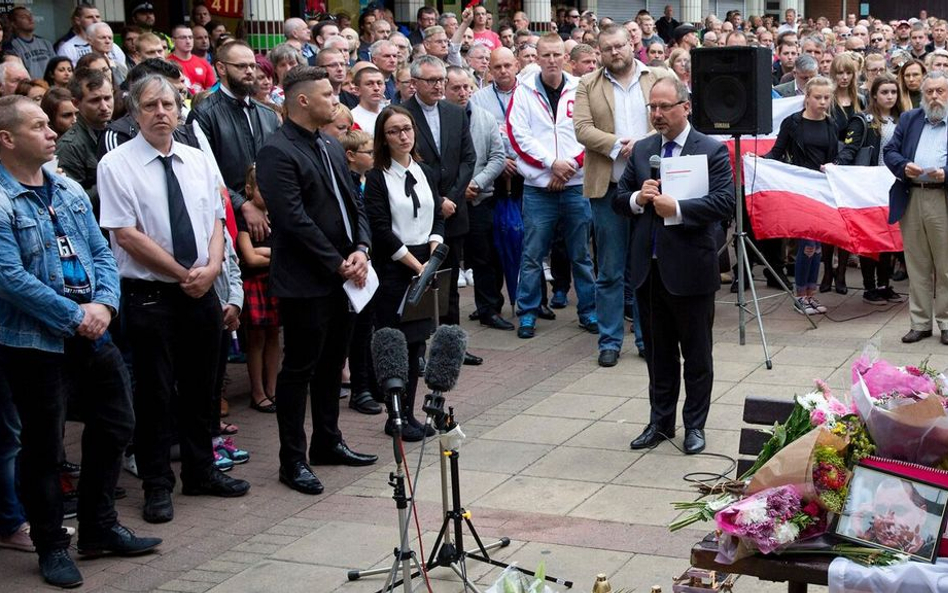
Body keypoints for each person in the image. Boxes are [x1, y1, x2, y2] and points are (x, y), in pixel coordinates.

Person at [0, 94, 162, 588]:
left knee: (116, 424)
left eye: (51, 125)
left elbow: (101, 251)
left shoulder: (67, 190)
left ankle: (98, 527)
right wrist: (75, 315)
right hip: (36, 341)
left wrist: (106, 306)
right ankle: (52, 545)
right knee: (44, 447)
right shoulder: (3, 199)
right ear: (7, 139)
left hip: (92, 329)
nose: (53, 133)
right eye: (40, 126)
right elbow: (8, 276)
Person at [256, 66, 378, 495]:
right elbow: (292, 220)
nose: (335, 99)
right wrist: (337, 262)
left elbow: (354, 202)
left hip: (344, 274)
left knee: (332, 364)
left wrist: (361, 248)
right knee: (300, 369)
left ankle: (329, 441)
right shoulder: (276, 151)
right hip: (307, 280)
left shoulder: (328, 142)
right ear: (302, 100)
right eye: (328, 94)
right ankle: (293, 459)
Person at [614, 77, 735, 455]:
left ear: (685, 107)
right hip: (648, 270)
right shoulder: (643, 150)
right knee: (658, 353)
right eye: (652, 107)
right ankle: (660, 421)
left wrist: (678, 208)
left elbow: (724, 203)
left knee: (696, 355)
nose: (657, 114)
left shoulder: (710, 151)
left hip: (690, 270)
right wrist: (638, 197)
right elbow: (618, 200)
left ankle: (694, 425)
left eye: (665, 107)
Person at [574, 25, 658, 366]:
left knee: (644, 267)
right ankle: (609, 341)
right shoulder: (587, 84)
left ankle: (644, 337)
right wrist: (615, 145)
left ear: (631, 44)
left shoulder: (656, 75)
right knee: (609, 269)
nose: (615, 52)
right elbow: (581, 128)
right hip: (607, 187)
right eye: (607, 48)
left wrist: (643, 144)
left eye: (620, 45)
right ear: (599, 52)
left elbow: (673, 117)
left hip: (649, 187)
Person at [507, 33, 598, 340]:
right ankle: (528, 313)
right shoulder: (523, 91)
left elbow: (591, 131)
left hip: (575, 184)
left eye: (556, 54)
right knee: (532, 255)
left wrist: (570, 164)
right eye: (544, 55)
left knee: (581, 255)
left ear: (565, 57)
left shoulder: (580, 88)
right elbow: (518, 136)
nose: (551, 60)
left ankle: (588, 311)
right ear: (535, 58)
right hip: (539, 187)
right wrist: (551, 164)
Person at [365, 106, 445, 441]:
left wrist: (434, 250)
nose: (403, 136)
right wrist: (415, 265)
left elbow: (437, 212)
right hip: (396, 266)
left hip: (426, 261)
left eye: (407, 129)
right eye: (395, 131)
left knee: (416, 344)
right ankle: (394, 415)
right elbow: (381, 229)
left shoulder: (425, 170)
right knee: (395, 344)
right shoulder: (378, 177)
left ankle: (410, 413)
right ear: (384, 138)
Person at [402, 55, 480, 364]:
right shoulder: (402, 114)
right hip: (419, 211)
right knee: (418, 281)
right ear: (414, 84)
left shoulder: (454, 112)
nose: (438, 86)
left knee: (449, 285)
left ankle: (450, 350)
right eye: (431, 81)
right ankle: (417, 351)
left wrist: (451, 197)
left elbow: (468, 158)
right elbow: (406, 164)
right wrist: (436, 200)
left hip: (452, 210)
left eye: (441, 81)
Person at [189, 41, 280, 245]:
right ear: (221, 68)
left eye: (252, 66)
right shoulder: (204, 114)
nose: (249, 71)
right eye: (241, 66)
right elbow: (202, 172)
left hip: (273, 214)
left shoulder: (268, 114)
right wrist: (243, 205)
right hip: (228, 217)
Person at [884, 71, 948, 344]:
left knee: (945, 266)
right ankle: (920, 323)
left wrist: (946, 172)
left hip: (942, 197)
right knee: (917, 264)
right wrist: (903, 166)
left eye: (940, 91)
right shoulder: (910, 119)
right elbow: (891, 151)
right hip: (912, 196)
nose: (935, 96)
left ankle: (946, 324)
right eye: (930, 91)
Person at [443, 67, 509, 330]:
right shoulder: (439, 120)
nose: (462, 93)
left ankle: (488, 308)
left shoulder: (485, 118)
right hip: (448, 202)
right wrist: (457, 190)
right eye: (456, 88)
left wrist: (478, 182)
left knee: (485, 257)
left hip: (479, 198)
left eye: (466, 87)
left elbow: (497, 156)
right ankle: (446, 319)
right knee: (449, 261)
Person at [766, 76, 839, 316]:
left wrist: (832, 166)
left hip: (821, 189)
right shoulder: (793, 123)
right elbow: (777, 152)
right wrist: (759, 162)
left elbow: (832, 157)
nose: (822, 102)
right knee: (807, 245)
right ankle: (800, 296)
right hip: (798, 188)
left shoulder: (831, 124)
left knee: (817, 246)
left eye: (826, 98)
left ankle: (811, 294)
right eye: (817, 97)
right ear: (806, 98)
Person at [837, 74, 906, 306]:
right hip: (867, 186)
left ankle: (885, 284)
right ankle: (869, 287)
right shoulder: (863, 119)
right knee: (870, 237)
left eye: (893, 92)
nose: (889, 96)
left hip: (894, 185)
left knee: (889, 236)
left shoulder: (903, 119)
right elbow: (850, 148)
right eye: (884, 92)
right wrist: (837, 167)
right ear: (874, 95)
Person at [237, 164, 280, 413]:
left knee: (274, 336)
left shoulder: (277, 214)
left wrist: (266, 252)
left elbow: (286, 252)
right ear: (249, 189)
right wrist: (275, 255)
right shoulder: (245, 218)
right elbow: (250, 258)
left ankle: (273, 389)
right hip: (255, 283)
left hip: (275, 281)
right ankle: (257, 391)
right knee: (256, 339)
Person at [56, 67, 112, 211]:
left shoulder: (121, 131)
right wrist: (111, 182)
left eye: (107, 98)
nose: (104, 107)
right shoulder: (69, 146)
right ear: (76, 103)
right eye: (95, 100)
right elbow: (73, 202)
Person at [3, 7, 56, 80]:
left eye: (30, 15)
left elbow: (56, 66)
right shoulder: (11, 46)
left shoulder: (45, 43)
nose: (30, 19)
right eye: (24, 17)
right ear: (14, 24)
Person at [168, 25, 216, 94]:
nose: (188, 41)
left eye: (190, 37)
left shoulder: (204, 63)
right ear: (173, 41)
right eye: (183, 38)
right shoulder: (166, 63)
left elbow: (212, 92)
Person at [351, 66, 386, 132]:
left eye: (379, 83)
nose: (376, 88)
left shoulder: (389, 115)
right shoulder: (353, 119)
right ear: (357, 90)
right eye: (369, 84)